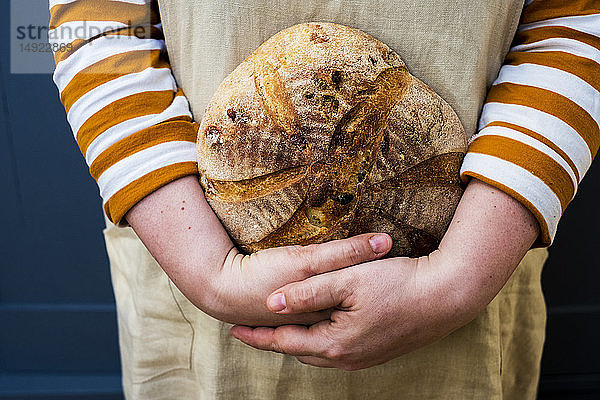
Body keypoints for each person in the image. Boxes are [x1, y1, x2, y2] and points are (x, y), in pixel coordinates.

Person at [48, 0, 599, 398]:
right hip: (191, 261)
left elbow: (575, 24)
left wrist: (459, 279)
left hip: (472, 265)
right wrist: (206, 270)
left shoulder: (464, 277)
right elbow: (96, 21)